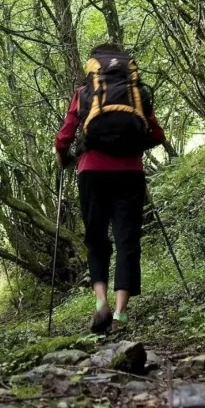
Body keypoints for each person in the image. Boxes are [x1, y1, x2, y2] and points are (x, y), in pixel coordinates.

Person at [54, 42, 167, 334]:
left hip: (92, 171)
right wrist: (134, 145)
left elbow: (64, 136)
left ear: (94, 66)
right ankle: (119, 315)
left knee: (96, 238)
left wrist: (63, 158)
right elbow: (156, 133)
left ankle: (100, 302)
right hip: (130, 172)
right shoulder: (135, 91)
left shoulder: (84, 93)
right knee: (127, 240)